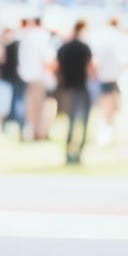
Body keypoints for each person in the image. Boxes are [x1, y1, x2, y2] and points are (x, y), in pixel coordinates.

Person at [54, 20, 94, 165]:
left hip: (67, 87)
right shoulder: (84, 48)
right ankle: (79, 150)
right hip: (80, 87)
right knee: (83, 121)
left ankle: (68, 149)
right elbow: (91, 68)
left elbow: (56, 67)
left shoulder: (64, 48)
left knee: (71, 120)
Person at [90, 15, 128, 145]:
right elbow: (125, 60)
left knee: (107, 108)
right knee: (111, 108)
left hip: (105, 77)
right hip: (114, 78)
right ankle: (108, 132)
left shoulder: (103, 37)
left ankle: (108, 131)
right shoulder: (119, 38)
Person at [15, 16, 53, 141]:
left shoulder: (27, 35)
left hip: (28, 76)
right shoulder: (41, 35)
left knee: (30, 105)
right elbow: (47, 58)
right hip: (38, 76)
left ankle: (31, 131)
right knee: (39, 106)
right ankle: (38, 131)